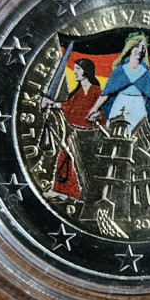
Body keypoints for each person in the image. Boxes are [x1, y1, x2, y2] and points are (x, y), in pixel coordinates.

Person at [41, 59, 105, 200]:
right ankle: (63, 191)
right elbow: (68, 106)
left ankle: (81, 193)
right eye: (74, 69)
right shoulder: (79, 92)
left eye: (78, 69)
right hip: (75, 133)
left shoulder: (96, 91)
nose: (75, 72)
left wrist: (98, 115)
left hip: (89, 136)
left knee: (82, 164)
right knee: (65, 158)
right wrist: (52, 104)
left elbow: (104, 111)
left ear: (86, 71)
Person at [87, 32, 150, 131]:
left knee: (136, 130)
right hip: (120, 104)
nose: (140, 50)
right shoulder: (120, 71)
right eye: (137, 47)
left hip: (138, 106)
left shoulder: (145, 73)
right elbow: (106, 93)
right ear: (130, 47)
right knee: (115, 130)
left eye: (143, 48)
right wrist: (95, 108)